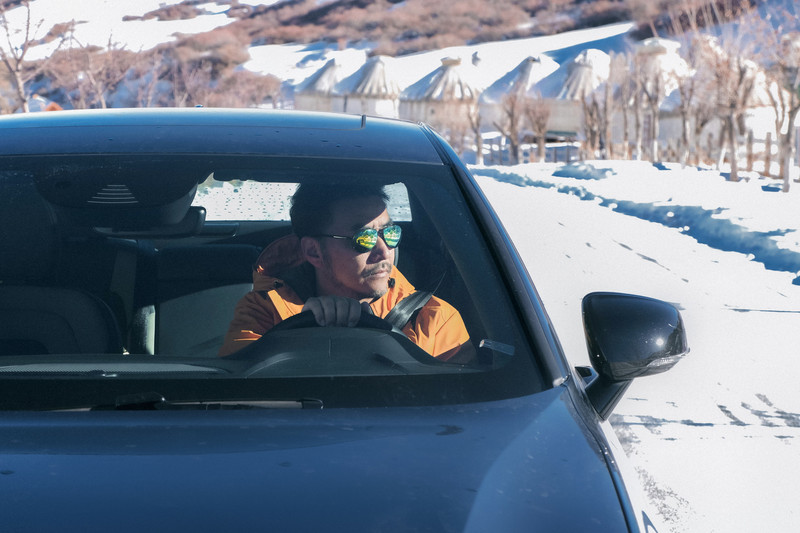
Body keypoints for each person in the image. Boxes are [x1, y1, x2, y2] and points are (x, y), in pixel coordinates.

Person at [218, 181, 472, 361]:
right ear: (313, 252)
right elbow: (236, 393)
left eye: (390, 233)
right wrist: (302, 335)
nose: (384, 251)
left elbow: (464, 411)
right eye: (364, 238)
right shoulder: (265, 311)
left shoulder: (433, 319)